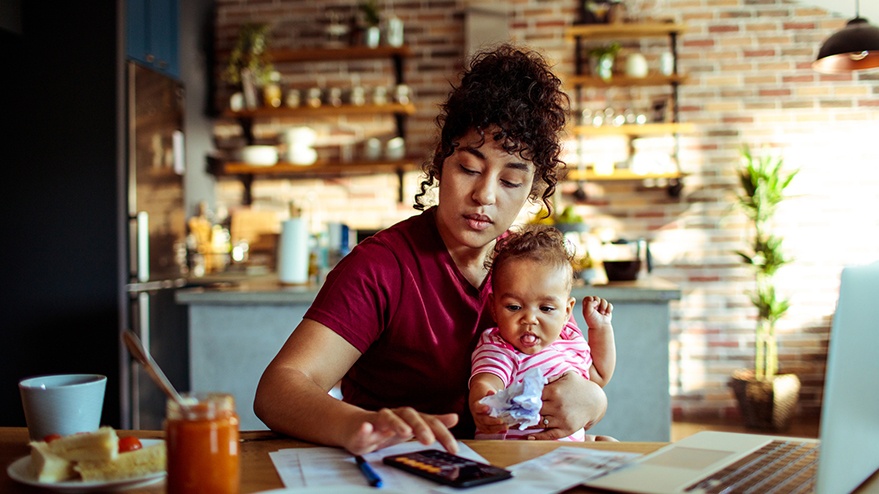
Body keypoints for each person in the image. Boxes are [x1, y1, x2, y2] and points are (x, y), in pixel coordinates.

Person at [253, 43, 608, 456]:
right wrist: (359, 424)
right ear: (441, 162)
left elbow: (569, 370)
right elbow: (278, 389)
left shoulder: (528, 268)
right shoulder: (382, 266)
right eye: (469, 169)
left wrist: (593, 402)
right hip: (398, 468)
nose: (484, 195)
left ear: (534, 188)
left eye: (511, 181)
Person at [469, 224, 616, 440]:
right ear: (493, 307)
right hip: (518, 453)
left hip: (564, 453)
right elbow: (487, 379)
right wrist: (484, 402)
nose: (529, 319)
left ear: (566, 311)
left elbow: (599, 376)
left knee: (610, 444)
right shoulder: (500, 346)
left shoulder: (569, 340)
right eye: (514, 307)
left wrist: (600, 329)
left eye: (546, 308)